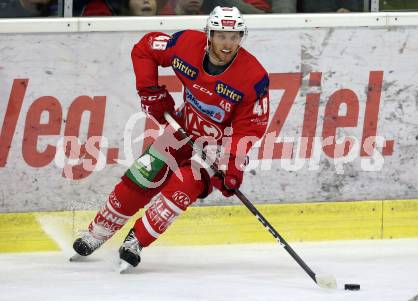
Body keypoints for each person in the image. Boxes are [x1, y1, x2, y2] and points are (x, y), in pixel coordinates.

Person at [72, 6, 270, 269]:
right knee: (143, 176)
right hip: (181, 129)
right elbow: (144, 48)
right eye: (222, 35)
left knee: (183, 186)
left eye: (234, 37)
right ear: (209, 34)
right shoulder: (187, 44)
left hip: (215, 149)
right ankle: (97, 232)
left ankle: (136, 241)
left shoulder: (252, 77)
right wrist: (149, 91)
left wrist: (231, 163)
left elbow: (250, 128)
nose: (228, 43)